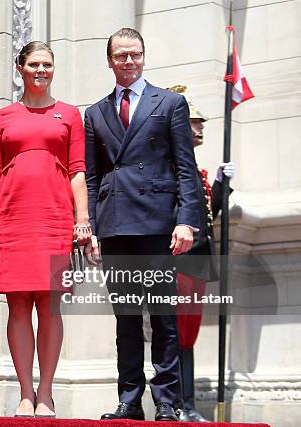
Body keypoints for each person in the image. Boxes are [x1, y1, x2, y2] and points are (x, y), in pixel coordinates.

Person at [84, 28, 201, 422]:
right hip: (116, 225)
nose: (128, 61)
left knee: (163, 316)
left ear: (144, 56)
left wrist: (187, 221)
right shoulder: (96, 112)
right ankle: (129, 399)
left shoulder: (170, 103)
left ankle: (167, 400)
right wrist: (93, 230)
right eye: (120, 56)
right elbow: (92, 178)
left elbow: (185, 168)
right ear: (110, 60)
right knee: (127, 319)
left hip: (157, 224)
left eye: (134, 54)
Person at [0, 41, 91, 418]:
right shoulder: (1, 117)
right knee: (17, 306)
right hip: (11, 218)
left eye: (47, 65)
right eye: (34, 64)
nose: (41, 71)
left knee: (49, 305)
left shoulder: (70, 115)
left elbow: (78, 170)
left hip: (54, 217)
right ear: (20, 68)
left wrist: (83, 220)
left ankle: (46, 393)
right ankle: (25, 393)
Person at [169, 85, 235, 423]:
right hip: (179, 258)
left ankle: (188, 404)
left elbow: (207, 216)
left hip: (198, 259)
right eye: (196, 122)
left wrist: (221, 187)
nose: (202, 127)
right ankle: (178, 403)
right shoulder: (172, 166)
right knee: (176, 334)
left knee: (187, 335)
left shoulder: (194, 170)